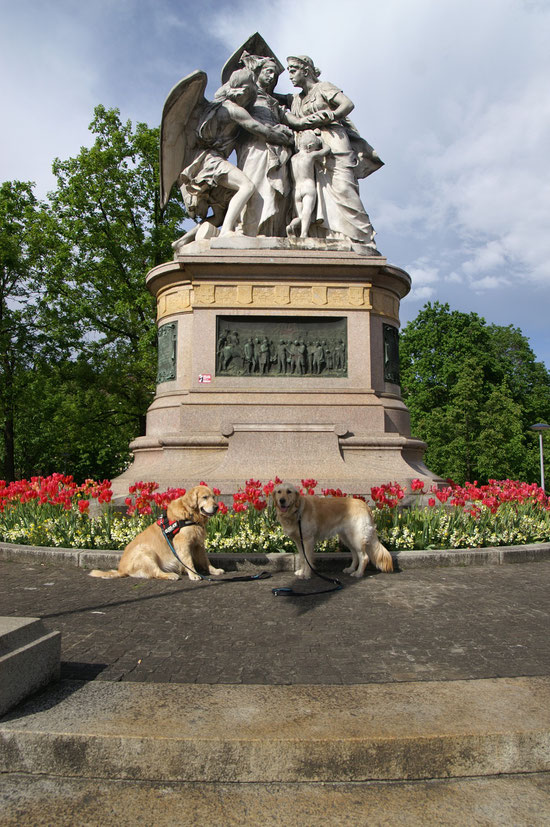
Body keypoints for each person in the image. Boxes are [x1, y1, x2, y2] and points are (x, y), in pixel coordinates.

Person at [176, 68, 293, 245]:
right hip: (212, 161)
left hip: (202, 161)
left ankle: (182, 241)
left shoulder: (213, 107)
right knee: (246, 186)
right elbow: (257, 128)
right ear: (244, 91)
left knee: (220, 214)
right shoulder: (233, 110)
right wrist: (286, 139)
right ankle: (227, 233)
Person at [286, 55, 379, 249]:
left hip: (334, 141)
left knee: (343, 186)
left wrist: (332, 115)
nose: (290, 75)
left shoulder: (323, 87)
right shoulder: (296, 99)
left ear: (306, 70)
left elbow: (348, 104)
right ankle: (331, 234)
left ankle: (361, 236)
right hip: (311, 148)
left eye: (293, 70)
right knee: (318, 192)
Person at [236, 55, 293, 237]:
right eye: (268, 72)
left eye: (274, 75)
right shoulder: (248, 95)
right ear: (257, 72)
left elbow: (296, 121)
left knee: (274, 192)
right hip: (255, 146)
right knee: (255, 185)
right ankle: (250, 231)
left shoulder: (274, 102)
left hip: (278, 149)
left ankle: (270, 232)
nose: (271, 77)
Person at [286, 129, 330, 238]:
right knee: (307, 212)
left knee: (300, 216)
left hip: (296, 190)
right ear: (310, 147)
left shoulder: (293, 158)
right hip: (308, 187)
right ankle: (304, 234)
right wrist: (320, 139)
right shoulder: (310, 156)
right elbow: (326, 150)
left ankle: (291, 226)